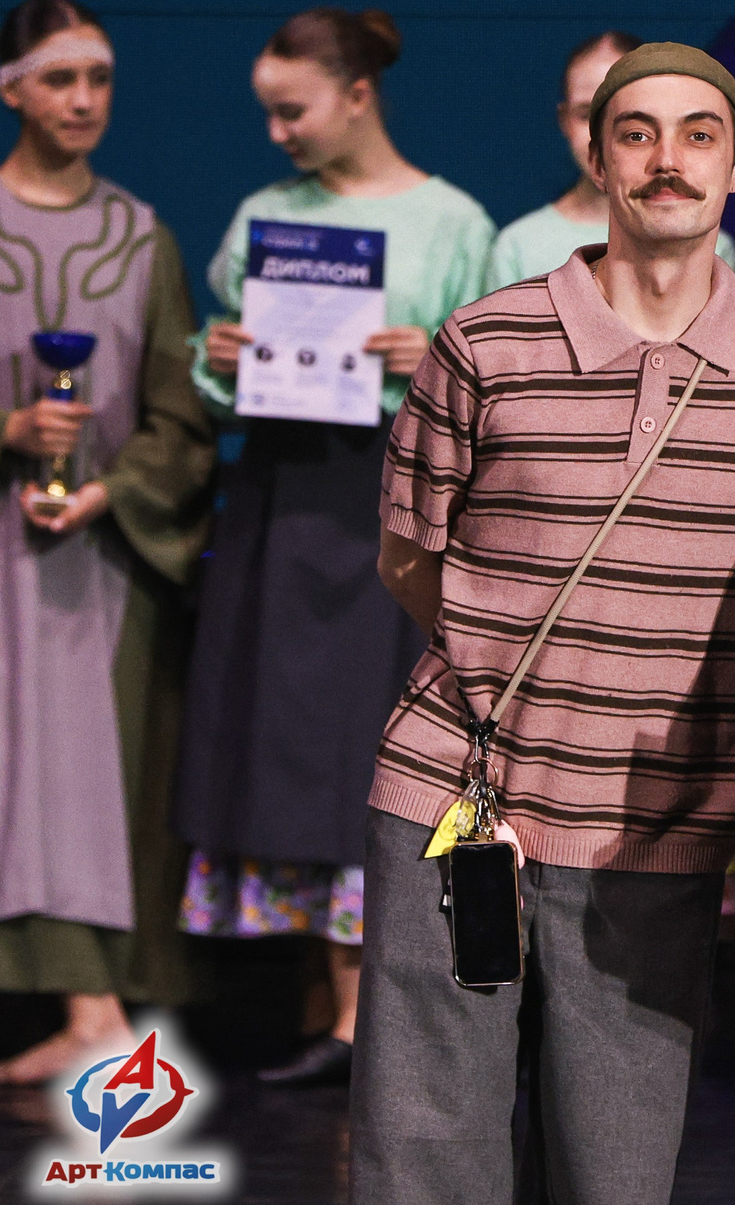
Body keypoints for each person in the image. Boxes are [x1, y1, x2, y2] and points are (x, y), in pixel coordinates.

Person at [353, 43, 735, 1203]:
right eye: (638, 133)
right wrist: (515, 674)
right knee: (425, 1162)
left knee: (618, 1170)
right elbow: (409, 553)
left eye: (699, 134)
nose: (669, 159)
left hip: (661, 825)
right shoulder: (486, 341)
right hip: (461, 801)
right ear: (598, 158)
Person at [171, 6, 494, 1088]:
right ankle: (320, 992)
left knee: (372, 730)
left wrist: (427, 358)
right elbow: (221, 360)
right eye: (267, 114)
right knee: (284, 732)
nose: (277, 134)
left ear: (358, 96)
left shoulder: (452, 222)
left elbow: (490, 384)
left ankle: (372, 1007)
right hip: (282, 491)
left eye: (292, 111)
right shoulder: (268, 212)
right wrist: (220, 354)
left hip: (386, 498)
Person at [0, 0, 213, 1085]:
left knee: (90, 777)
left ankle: (96, 1008)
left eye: (101, 78)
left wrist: (109, 489)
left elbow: (181, 413)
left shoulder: (141, 236)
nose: (84, 100)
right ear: (12, 90)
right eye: (61, 78)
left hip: (103, 559)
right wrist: (8, 432)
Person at [482, 30, 735, 292]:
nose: (599, 132)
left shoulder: (713, 244)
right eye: (586, 115)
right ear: (564, 120)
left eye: (698, 136)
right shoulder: (518, 246)